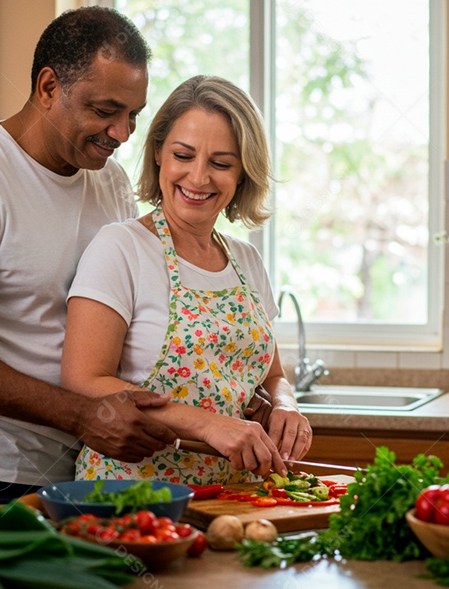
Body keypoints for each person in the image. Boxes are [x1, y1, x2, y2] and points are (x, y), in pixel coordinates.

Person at [0, 7, 177, 504]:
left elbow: (123, 311)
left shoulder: (109, 180)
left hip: (81, 462)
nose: (123, 133)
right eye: (105, 110)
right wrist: (80, 415)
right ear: (49, 87)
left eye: (133, 114)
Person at [62, 76, 312, 486]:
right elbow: (83, 380)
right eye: (184, 155)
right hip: (134, 495)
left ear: (243, 172)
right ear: (159, 151)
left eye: (221, 163)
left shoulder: (246, 260)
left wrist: (285, 405)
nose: (198, 178)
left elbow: (272, 375)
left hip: (234, 495)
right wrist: (209, 425)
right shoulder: (121, 248)